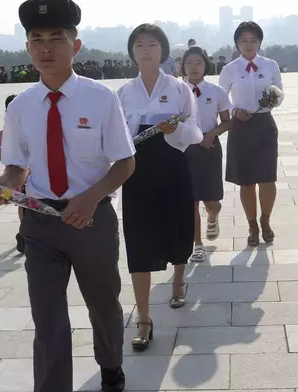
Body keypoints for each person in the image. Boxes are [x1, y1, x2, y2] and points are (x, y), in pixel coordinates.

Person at [0, 1, 136, 390]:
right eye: (37, 39)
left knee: (103, 304)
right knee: (48, 318)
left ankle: (110, 364)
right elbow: (17, 167)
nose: (46, 47)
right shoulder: (20, 107)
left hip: (92, 220)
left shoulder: (101, 98)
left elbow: (124, 164)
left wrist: (91, 197)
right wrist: (6, 183)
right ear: (27, 49)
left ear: (77, 44)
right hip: (40, 223)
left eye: (57, 37)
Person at [118, 23, 203, 351]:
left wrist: (173, 130)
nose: (145, 50)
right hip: (137, 174)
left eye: (151, 44)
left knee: (177, 227)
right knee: (138, 239)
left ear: (162, 50)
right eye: (138, 45)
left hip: (172, 167)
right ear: (132, 53)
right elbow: (115, 138)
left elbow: (194, 132)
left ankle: (178, 282)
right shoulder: (124, 93)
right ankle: (143, 319)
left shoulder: (180, 89)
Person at [219, 21, 284, 246]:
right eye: (243, 41)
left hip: (265, 125)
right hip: (241, 127)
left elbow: (280, 92)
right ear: (237, 43)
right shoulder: (230, 69)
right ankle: (252, 225)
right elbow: (222, 99)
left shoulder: (270, 65)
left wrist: (273, 100)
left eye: (253, 40)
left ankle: (265, 221)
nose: (248, 45)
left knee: (267, 178)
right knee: (246, 182)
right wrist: (235, 110)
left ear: (259, 42)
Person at [181, 46, 231, 262]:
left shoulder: (216, 91)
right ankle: (197, 244)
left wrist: (212, 133)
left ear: (205, 66)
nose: (193, 67)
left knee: (212, 201)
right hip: (184, 150)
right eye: (189, 63)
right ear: (182, 66)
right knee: (189, 199)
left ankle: (213, 215)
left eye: (198, 63)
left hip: (209, 147)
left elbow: (228, 121)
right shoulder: (175, 91)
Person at [0, 94, 26, 254]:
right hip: (19, 177)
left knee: (23, 204)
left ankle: (24, 231)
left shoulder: (5, 132)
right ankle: (25, 232)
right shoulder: (8, 132)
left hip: (20, 177)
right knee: (24, 203)